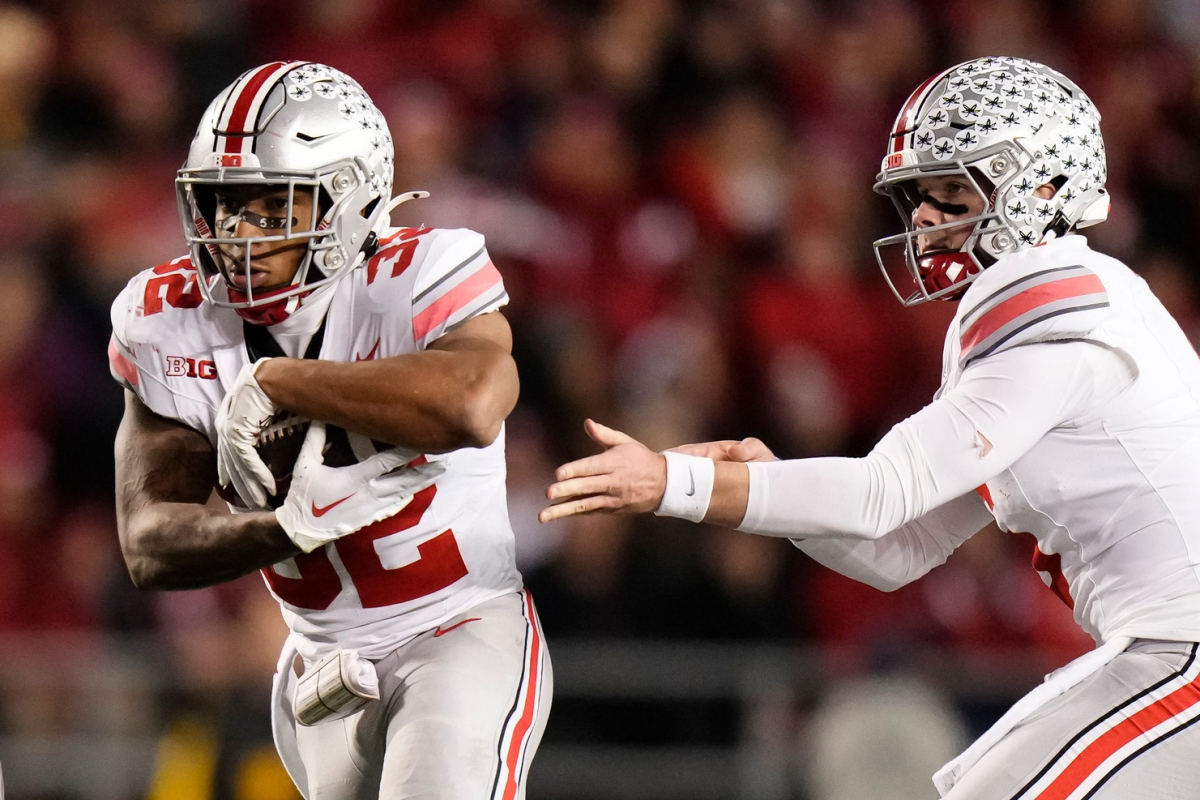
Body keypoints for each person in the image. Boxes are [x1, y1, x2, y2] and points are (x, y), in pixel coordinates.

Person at [540, 57, 1200, 798]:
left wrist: (675, 483)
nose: (923, 217)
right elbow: (900, 548)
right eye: (921, 196)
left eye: (953, 191)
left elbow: (881, 491)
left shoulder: (1058, 318)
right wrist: (759, 486)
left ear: (1042, 188)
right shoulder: (1067, 316)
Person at [111, 61, 550, 800]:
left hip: (458, 628)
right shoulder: (170, 317)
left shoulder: (420, 272)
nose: (232, 234)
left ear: (351, 199)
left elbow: (474, 402)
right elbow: (149, 539)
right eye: (220, 207)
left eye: (266, 207)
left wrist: (279, 383)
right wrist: (286, 528)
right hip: (316, 665)